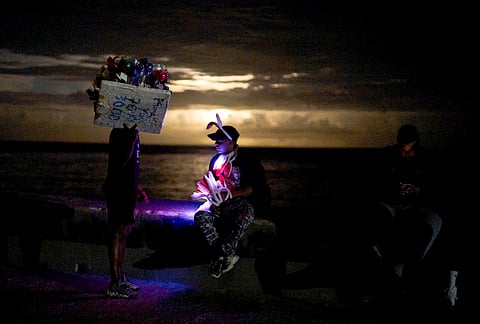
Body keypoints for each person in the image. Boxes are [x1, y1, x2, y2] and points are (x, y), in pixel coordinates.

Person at [191, 114, 271, 279]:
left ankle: (221, 256)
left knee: (243, 215)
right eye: (215, 141)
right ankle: (224, 254)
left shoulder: (248, 159)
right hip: (223, 202)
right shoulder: (215, 160)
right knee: (201, 216)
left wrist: (233, 195)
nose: (215, 144)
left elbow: (256, 186)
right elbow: (213, 183)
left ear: (231, 141)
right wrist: (210, 198)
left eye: (219, 140)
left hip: (245, 201)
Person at [365, 124, 443, 289]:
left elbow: (437, 183)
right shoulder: (387, 156)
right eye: (403, 149)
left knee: (426, 231)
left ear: (416, 144)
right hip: (389, 203)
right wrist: (389, 186)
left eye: (410, 150)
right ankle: (384, 268)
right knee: (372, 226)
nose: (406, 153)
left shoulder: (426, 159)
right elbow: (372, 178)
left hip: (414, 205)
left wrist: (420, 189)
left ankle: (409, 274)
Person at [103, 123, 149, 298]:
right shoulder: (119, 133)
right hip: (118, 189)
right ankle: (114, 282)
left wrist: (137, 189)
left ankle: (119, 278)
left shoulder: (132, 134)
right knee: (117, 231)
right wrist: (131, 138)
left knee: (123, 232)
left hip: (127, 190)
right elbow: (121, 160)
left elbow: (130, 166)